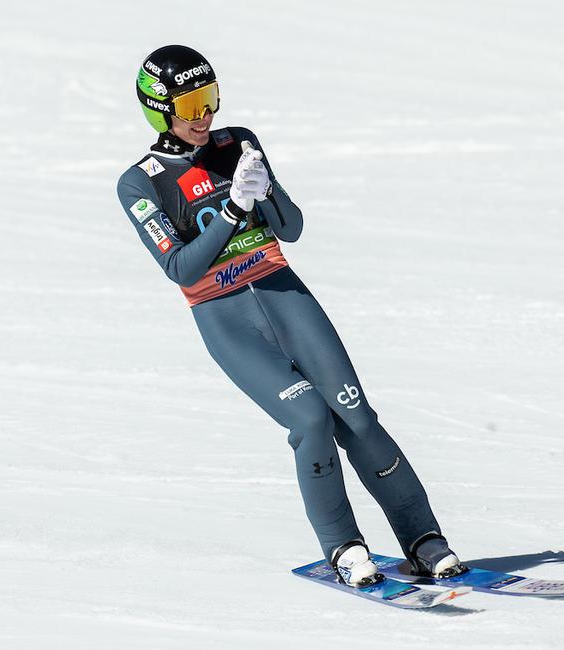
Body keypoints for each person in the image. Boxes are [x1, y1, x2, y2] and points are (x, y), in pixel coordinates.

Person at [116, 45, 464, 588]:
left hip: (284, 294)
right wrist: (233, 209)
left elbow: (292, 227)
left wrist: (264, 187)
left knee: (358, 418)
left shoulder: (238, 143)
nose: (204, 116)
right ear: (159, 111)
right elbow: (181, 268)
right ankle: (343, 547)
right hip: (227, 319)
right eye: (189, 106)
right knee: (311, 421)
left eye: (209, 99)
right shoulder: (141, 181)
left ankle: (423, 538)